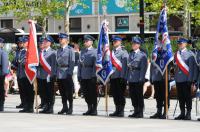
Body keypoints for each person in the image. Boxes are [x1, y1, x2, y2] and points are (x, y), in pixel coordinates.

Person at [174, 38, 195, 120]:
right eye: (179, 43)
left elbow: (191, 68)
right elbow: (174, 66)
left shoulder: (190, 54)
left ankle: (188, 113)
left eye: (181, 43)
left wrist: (190, 79)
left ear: (186, 44)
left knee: (187, 97)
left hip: (186, 79)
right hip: (178, 78)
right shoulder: (176, 54)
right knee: (180, 97)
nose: (180, 45)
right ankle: (182, 113)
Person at [127, 37, 147, 118]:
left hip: (138, 77)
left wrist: (141, 78)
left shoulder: (142, 55)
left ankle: (140, 111)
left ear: (139, 45)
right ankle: (135, 110)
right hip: (131, 77)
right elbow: (128, 66)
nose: (133, 45)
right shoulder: (130, 54)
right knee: (133, 95)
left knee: (139, 95)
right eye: (132, 43)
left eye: (135, 44)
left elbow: (143, 68)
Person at [78, 35, 97, 116]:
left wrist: (93, 76)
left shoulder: (95, 51)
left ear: (91, 42)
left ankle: (94, 109)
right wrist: (79, 75)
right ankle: (89, 108)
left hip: (91, 75)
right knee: (85, 93)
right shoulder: (82, 51)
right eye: (84, 41)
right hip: (83, 75)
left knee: (92, 93)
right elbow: (79, 64)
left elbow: (95, 65)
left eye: (87, 41)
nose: (85, 42)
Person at [109, 36, 128, 117]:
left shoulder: (124, 52)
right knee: (115, 94)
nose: (114, 42)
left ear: (120, 42)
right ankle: (117, 109)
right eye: (113, 41)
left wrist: (123, 76)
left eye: (116, 41)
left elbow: (124, 66)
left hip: (120, 76)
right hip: (113, 76)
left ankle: (121, 111)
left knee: (120, 94)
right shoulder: (111, 52)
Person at [37, 36, 56, 114]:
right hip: (41, 75)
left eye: (46, 42)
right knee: (42, 92)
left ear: (49, 43)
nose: (44, 43)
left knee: (50, 92)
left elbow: (54, 65)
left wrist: (52, 75)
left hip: (48, 75)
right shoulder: (41, 52)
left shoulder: (53, 52)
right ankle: (45, 106)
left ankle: (50, 107)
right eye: (44, 42)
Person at [57, 33, 75, 115]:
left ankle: (70, 107)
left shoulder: (70, 49)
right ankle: (65, 107)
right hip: (60, 73)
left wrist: (70, 73)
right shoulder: (59, 50)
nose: (60, 40)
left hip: (66, 72)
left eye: (62, 39)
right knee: (62, 92)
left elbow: (72, 62)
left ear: (66, 40)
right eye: (60, 39)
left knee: (69, 92)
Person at [11, 37, 25, 109]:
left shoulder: (25, 51)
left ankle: (26, 103)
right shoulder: (17, 52)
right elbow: (14, 61)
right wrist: (13, 66)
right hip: (19, 72)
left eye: (21, 43)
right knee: (21, 89)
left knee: (25, 89)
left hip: (24, 73)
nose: (20, 44)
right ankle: (22, 102)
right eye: (19, 43)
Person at [0, 38, 9, 111]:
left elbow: (5, 64)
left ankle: (1, 104)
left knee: (0, 90)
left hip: (0, 74)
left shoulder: (3, 52)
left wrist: (3, 74)